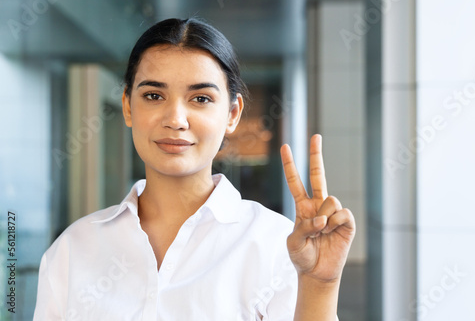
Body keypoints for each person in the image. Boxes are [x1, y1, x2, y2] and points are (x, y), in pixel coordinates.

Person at [34, 18, 355, 320]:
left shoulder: (276, 244)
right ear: (128, 106)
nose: (175, 119)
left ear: (232, 113)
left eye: (200, 99)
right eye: (153, 95)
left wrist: (320, 285)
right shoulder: (74, 249)